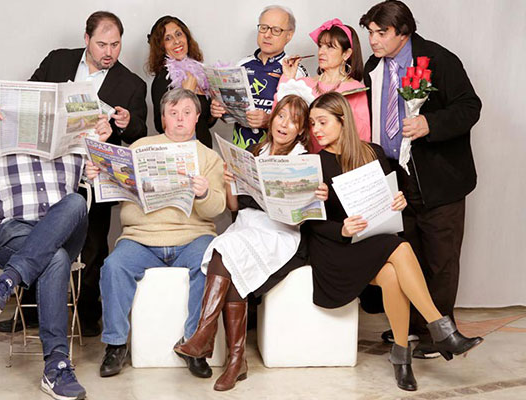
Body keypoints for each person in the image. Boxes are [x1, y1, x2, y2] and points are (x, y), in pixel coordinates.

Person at [305, 92, 482, 391]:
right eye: (312, 124)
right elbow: (310, 224)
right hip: (334, 250)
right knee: (400, 247)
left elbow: (391, 199)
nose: (316, 130)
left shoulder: (372, 153)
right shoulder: (312, 164)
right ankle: (442, 329)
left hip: (369, 242)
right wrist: (341, 230)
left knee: (391, 275)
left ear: (343, 121)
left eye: (322, 122)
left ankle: (402, 357)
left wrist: (397, 201)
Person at [0, 11, 148, 337]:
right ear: (86, 39)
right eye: (102, 44)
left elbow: (140, 131)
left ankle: (87, 314)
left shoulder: (132, 84)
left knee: (92, 245)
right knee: (40, 237)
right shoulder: (58, 61)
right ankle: (30, 313)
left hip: (94, 174)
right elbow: (28, 98)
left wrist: (123, 124)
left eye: (116, 45)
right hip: (50, 170)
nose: (109, 52)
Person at [174, 95, 329, 391]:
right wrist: (229, 181)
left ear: (301, 130)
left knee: (226, 252)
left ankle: (206, 338)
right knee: (227, 252)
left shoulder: (303, 161)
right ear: (273, 119)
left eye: (294, 121)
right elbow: (234, 207)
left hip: (279, 234)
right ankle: (234, 360)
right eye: (281, 116)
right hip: (246, 227)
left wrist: (310, 196)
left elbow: (300, 220)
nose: (284, 124)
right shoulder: (255, 151)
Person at [0, 105, 112, 400]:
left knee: (76, 203)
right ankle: (56, 367)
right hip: (14, 234)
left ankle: (8, 279)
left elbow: (105, 188)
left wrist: (99, 147)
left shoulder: (73, 145)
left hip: (65, 233)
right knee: (55, 258)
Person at [359, 0, 482, 358]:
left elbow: (470, 107)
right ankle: (413, 326)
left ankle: (438, 334)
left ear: (404, 32)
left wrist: (431, 123)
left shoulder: (438, 60)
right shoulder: (373, 67)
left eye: (381, 33)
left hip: (440, 178)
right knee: (407, 253)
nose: (373, 40)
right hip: (395, 179)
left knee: (441, 258)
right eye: (370, 33)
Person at [86, 89, 226, 379]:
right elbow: (114, 191)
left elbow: (217, 209)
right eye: (173, 113)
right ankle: (115, 345)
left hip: (192, 237)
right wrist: (96, 176)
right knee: (113, 266)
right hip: (141, 238)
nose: (180, 119)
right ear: (163, 118)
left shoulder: (209, 157)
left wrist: (203, 193)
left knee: (211, 261)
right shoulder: (140, 147)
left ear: (197, 117)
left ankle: (194, 344)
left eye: (186, 113)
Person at [210, 5, 307, 149]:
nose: (267, 35)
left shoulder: (295, 70)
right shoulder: (241, 65)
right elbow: (230, 117)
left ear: (289, 35)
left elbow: (303, 121)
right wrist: (219, 110)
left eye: (276, 30)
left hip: (277, 152)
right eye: (263, 28)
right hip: (241, 148)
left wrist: (269, 120)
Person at [278, 18, 370, 152]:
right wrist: (288, 77)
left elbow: (364, 137)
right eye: (320, 46)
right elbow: (279, 119)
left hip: (341, 159)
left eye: (330, 47)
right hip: (306, 159)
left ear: (346, 54)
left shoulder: (356, 89)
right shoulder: (304, 84)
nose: (321, 52)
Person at [147, 15, 216, 148]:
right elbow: (161, 126)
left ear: (187, 37)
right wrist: (187, 94)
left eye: (178, 34)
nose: (176, 41)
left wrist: (214, 113)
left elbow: (204, 122)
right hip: (181, 152)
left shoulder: (199, 73)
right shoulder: (163, 80)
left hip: (204, 149)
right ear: (161, 47)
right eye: (168, 38)